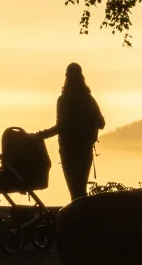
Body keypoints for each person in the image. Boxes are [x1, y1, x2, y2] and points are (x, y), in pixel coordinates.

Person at [37, 63, 106, 201]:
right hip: (85, 150)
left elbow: (60, 126)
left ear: (67, 77)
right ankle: (83, 218)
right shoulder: (88, 99)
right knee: (81, 191)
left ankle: (78, 219)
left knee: (75, 192)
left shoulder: (63, 100)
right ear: (81, 77)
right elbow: (101, 123)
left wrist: (39, 135)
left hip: (68, 151)